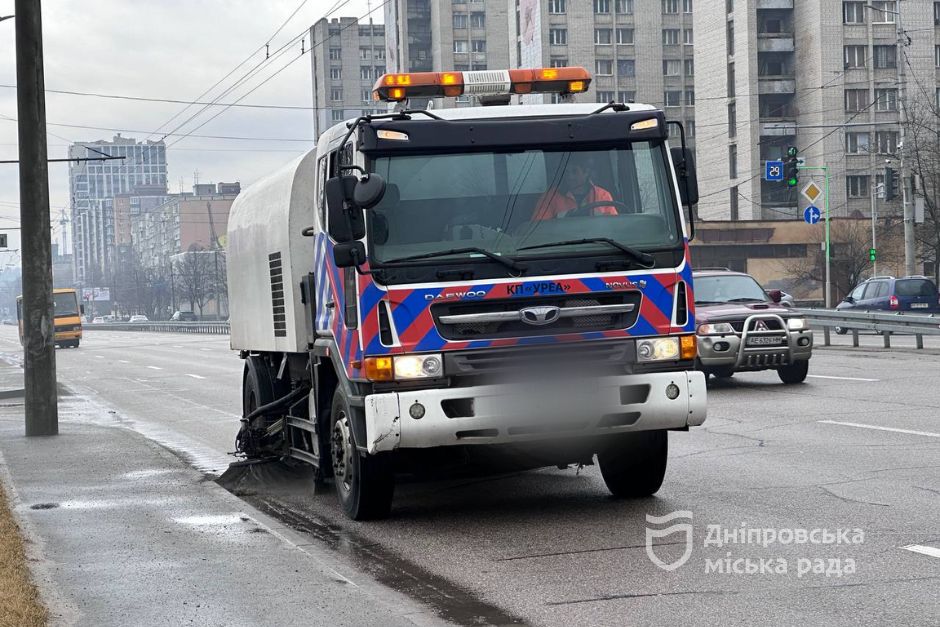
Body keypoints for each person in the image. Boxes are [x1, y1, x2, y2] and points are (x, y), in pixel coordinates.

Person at [531, 153, 618, 221]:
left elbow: (613, 226)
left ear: (586, 172)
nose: (570, 176)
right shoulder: (550, 197)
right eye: (567, 172)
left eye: (574, 171)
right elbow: (540, 228)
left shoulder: (603, 196)